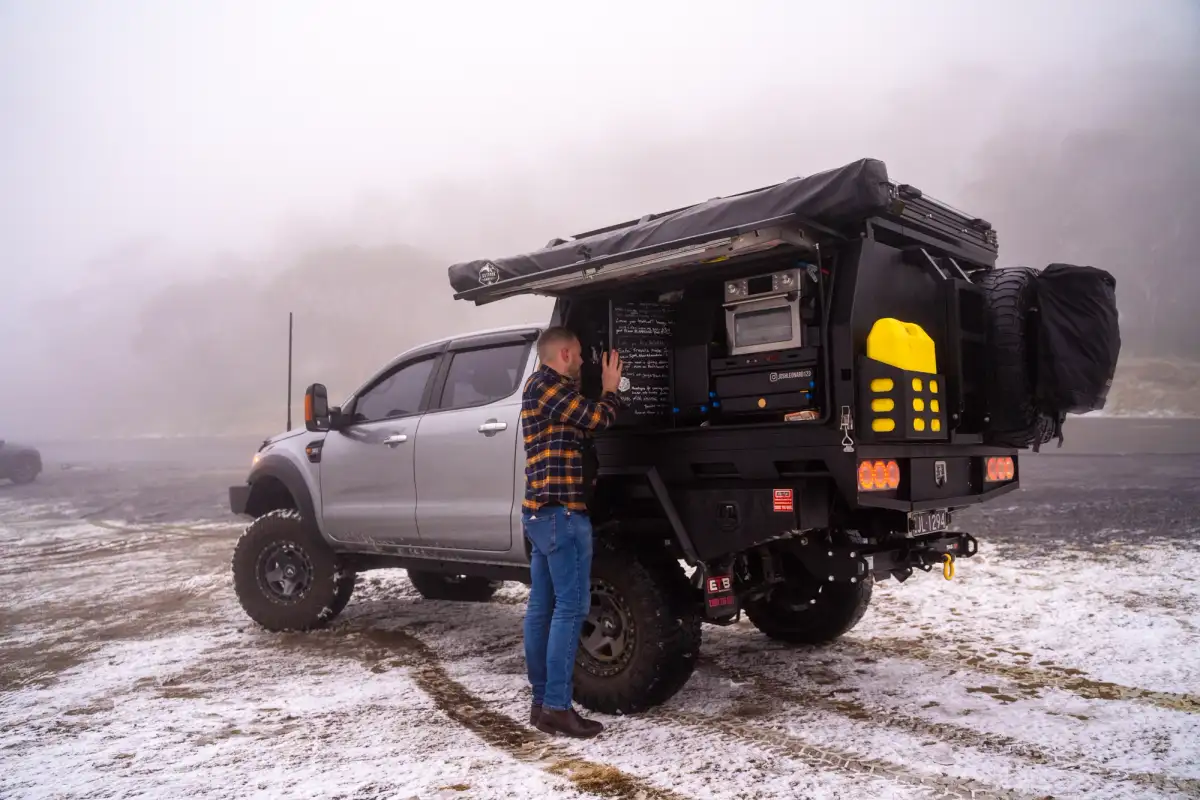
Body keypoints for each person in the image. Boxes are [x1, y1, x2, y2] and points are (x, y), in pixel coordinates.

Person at [521, 326, 623, 738]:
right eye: (579, 355)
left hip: (545, 517)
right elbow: (598, 418)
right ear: (563, 354)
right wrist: (611, 387)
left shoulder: (544, 390)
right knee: (570, 608)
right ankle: (558, 708)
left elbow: (579, 425)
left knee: (542, 610)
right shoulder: (547, 387)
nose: (583, 362)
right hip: (562, 517)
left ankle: (542, 703)